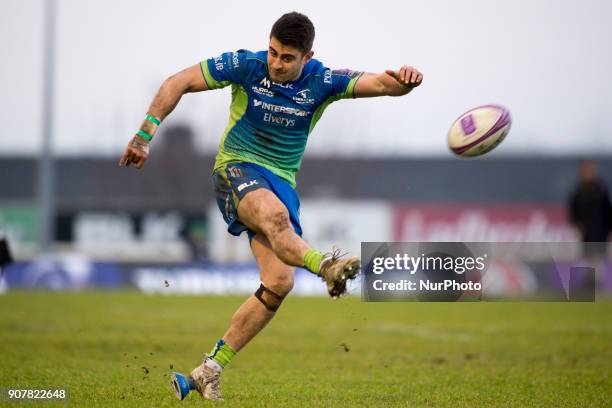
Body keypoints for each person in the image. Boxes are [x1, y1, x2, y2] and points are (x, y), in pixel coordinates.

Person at [119, 12, 422, 401]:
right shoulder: (247, 66)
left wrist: (407, 81)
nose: (276, 63)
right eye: (273, 53)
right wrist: (145, 134)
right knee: (277, 220)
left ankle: (207, 370)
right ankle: (328, 267)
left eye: (287, 58)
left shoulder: (322, 81)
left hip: (281, 183)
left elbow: (383, 83)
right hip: (236, 170)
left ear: (307, 56)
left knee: (279, 282)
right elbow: (177, 82)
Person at [569, 160, 611, 260]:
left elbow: (608, 210)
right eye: (584, 171)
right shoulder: (578, 192)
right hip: (586, 234)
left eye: (589, 170)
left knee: (600, 259)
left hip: (601, 233)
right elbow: (573, 211)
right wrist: (578, 224)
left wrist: (609, 229)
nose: (587, 174)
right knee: (588, 259)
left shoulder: (601, 190)